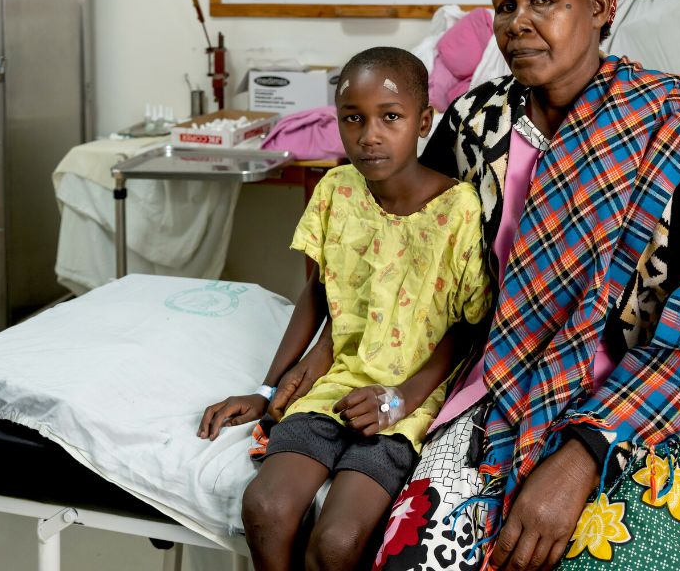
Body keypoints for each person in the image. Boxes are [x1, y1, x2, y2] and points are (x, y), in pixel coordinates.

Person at [275, 0, 680, 571]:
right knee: (415, 556)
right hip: (500, 384)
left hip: (650, 398)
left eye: (544, 1)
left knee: (620, 557)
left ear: (599, 7)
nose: (518, 22)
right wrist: (322, 365)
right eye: (506, 5)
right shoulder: (478, 126)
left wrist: (580, 457)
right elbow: (412, 268)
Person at [198, 47, 492, 571]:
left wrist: (401, 398)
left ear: (424, 121)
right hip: (333, 382)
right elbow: (317, 292)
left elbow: (469, 326)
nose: (369, 135)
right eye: (352, 118)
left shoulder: (458, 209)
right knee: (265, 507)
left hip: (407, 401)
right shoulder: (336, 190)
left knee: (335, 544)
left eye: (391, 117)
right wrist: (269, 388)